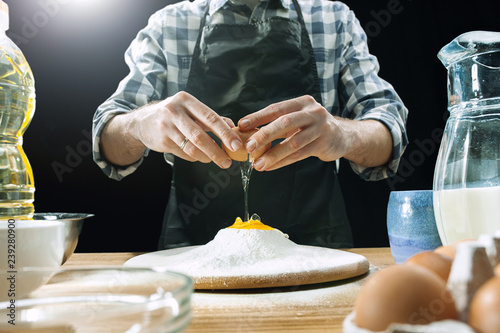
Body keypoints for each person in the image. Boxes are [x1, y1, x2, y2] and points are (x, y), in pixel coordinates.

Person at [92, 0, 408, 250]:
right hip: (195, 253)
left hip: (314, 248)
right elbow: (108, 143)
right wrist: (139, 124)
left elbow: (388, 135)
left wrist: (343, 135)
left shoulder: (333, 18)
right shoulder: (169, 25)